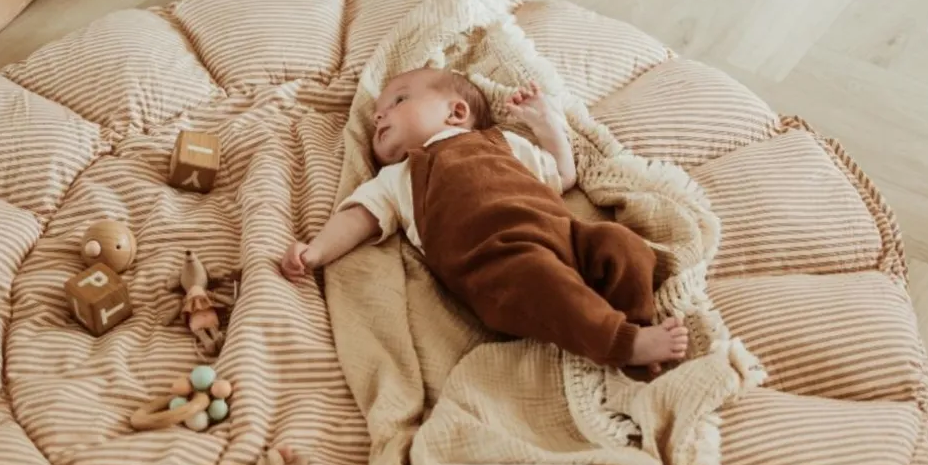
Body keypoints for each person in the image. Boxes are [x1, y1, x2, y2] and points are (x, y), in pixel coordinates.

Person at [280, 67, 688, 370]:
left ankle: (635, 323)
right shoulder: (399, 177)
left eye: (397, 101)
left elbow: (562, 175)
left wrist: (548, 124)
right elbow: (356, 217)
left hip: (564, 235)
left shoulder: (503, 142)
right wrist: (316, 251)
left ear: (456, 111)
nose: (379, 117)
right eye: (376, 117)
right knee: (541, 279)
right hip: (497, 265)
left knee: (620, 242)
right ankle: (620, 342)